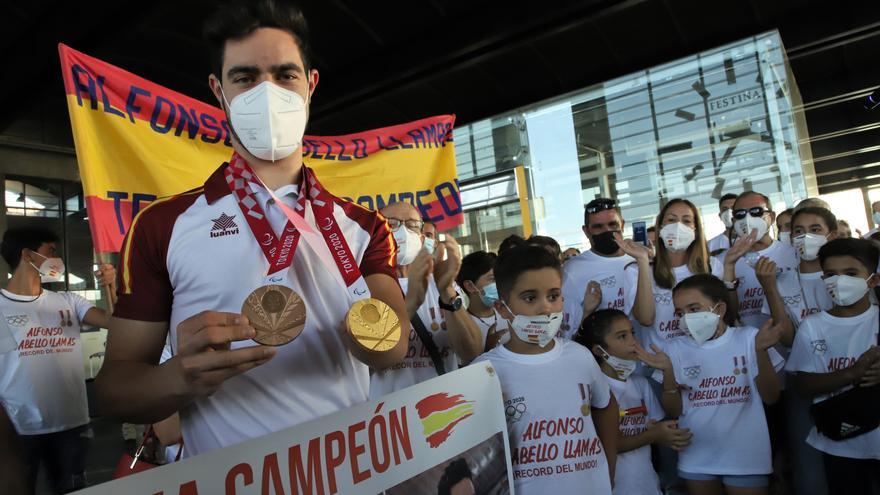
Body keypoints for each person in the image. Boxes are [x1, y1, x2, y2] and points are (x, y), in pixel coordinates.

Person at [95, 0, 409, 457]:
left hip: (351, 477)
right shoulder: (162, 225)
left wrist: (373, 338)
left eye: (285, 75)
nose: (267, 92)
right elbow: (113, 390)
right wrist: (180, 376)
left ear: (310, 85)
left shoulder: (363, 225)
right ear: (218, 90)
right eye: (244, 78)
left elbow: (393, 352)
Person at [474, 245, 618, 494]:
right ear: (501, 307)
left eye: (553, 296)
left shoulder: (579, 357)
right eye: (530, 298)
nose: (546, 308)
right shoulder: (485, 371)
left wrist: (608, 469)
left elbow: (606, 405)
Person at [640, 274, 785, 495]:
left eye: (694, 308)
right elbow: (674, 410)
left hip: (746, 455)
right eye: (680, 313)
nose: (686, 318)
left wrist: (759, 352)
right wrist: (668, 372)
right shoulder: (673, 348)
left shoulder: (749, 338)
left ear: (720, 309)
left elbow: (771, 396)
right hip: (696, 454)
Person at [0, 227, 116, 494]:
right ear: (27, 255)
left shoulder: (68, 302)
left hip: (71, 427)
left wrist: (111, 285)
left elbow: (116, 323)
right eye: (51, 251)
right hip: (19, 431)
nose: (57, 259)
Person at [786, 238, 880, 494]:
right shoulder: (813, 326)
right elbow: (803, 385)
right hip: (839, 442)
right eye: (830, 274)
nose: (839, 281)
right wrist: (852, 372)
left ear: (872, 280)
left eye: (850, 273)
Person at [370, 202, 482, 397]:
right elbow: (371, 358)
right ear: (374, 235)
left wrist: (446, 291)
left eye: (412, 225)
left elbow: (471, 351)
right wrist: (411, 303)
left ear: (422, 238)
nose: (403, 231)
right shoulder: (360, 288)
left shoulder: (440, 282)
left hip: (445, 407)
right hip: (390, 416)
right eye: (391, 224)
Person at [576, 309, 693, 495]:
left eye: (632, 333)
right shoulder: (594, 389)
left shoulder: (640, 384)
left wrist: (667, 371)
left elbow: (660, 424)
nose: (633, 342)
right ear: (599, 350)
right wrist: (653, 435)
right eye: (622, 336)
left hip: (647, 485)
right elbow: (606, 444)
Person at [627, 199, 722, 349]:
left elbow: (721, 318)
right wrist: (643, 262)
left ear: (695, 229)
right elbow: (645, 319)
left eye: (686, 221)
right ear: (661, 227)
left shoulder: (712, 266)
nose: (678, 226)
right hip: (660, 364)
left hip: (705, 358)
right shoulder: (637, 270)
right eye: (671, 220)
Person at [721, 191, 799, 332]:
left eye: (756, 211)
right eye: (740, 214)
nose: (748, 218)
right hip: (748, 347)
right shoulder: (722, 261)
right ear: (733, 221)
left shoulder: (793, 254)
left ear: (772, 217)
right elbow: (728, 314)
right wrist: (729, 267)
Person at [561, 197, 635, 339]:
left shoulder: (639, 260)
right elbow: (568, 330)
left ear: (623, 224)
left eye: (613, 224)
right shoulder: (573, 270)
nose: (607, 231)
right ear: (586, 231)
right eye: (598, 227)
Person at [457, 251, 509, 351]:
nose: (499, 284)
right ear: (470, 286)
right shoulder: (461, 327)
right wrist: (487, 351)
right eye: (492, 279)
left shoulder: (510, 315)